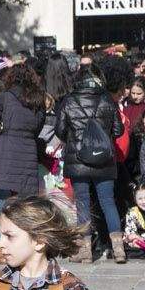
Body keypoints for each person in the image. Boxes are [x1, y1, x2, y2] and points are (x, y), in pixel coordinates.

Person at [55, 67, 123, 263]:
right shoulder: (107, 99)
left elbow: (60, 130)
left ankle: (85, 251)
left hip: (78, 159)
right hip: (104, 159)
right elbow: (118, 130)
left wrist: (75, 137)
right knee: (108, 202)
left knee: (83, 203)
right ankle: (119, 249)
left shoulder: (69, 101)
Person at [0, 64, 47, 214]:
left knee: (2, 207)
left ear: (10, 78)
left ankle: (2, 229)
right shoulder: (39, 100)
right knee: (26, 209)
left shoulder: (5, 97)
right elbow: (38, 127)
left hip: (5, 154)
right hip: (28, 154)